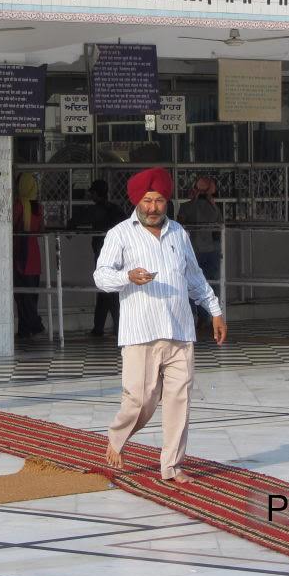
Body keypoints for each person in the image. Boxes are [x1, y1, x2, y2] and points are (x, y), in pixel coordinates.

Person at [95, 166, 227, 484]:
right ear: (137, 201)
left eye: (158, 201)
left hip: (180, 330)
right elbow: (100, 276)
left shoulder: (179, 234)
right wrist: (128, 276)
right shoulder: (120, 234)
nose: (153, 208)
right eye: (147, 201)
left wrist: (215, 310)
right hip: (140, 332)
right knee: (141, 399)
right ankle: (117, 436)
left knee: (179, 399)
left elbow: (194, 277)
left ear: (167, 201)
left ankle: (172, 465)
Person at [72, 180, 124, 337]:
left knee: (108, 290)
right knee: (106, 290)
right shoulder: (116, 209)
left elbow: (78, 220)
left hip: (103, 255)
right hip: (118, 254)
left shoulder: (98, 210)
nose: (90, 195)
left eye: (92, 192)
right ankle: (101, 327)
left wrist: (70, 225)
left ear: (96, 193)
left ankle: (116, 327)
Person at [175, 176, 223, 328]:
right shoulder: (214, 208)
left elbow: (179, 226)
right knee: (210, 284)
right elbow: (218, 230)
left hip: (192, 252)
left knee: (190, 284)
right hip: (211, 251)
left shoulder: (185, 207)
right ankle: (209, 315)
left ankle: (193, 315)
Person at [13, 172, 45, 338]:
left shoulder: (19, 206)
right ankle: (28, 327)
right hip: (34, 255)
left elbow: (11, 226)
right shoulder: (38, 207)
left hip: (21, 254)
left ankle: (32, 325)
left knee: (21, 294)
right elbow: (41, 231)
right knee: (32, 294)